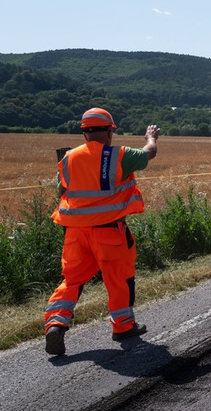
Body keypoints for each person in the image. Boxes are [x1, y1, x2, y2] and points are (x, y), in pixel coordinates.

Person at [44, 108, 161, 356]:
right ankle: (122, 326)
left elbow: (61, 189)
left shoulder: (68, 159)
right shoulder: (119, 155)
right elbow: (149, 154)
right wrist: (151, 138)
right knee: (118, 278)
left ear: (85, 133)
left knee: (72, 280)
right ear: (109, 131)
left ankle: (55, 323)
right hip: (109, 232)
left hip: (75, 234)